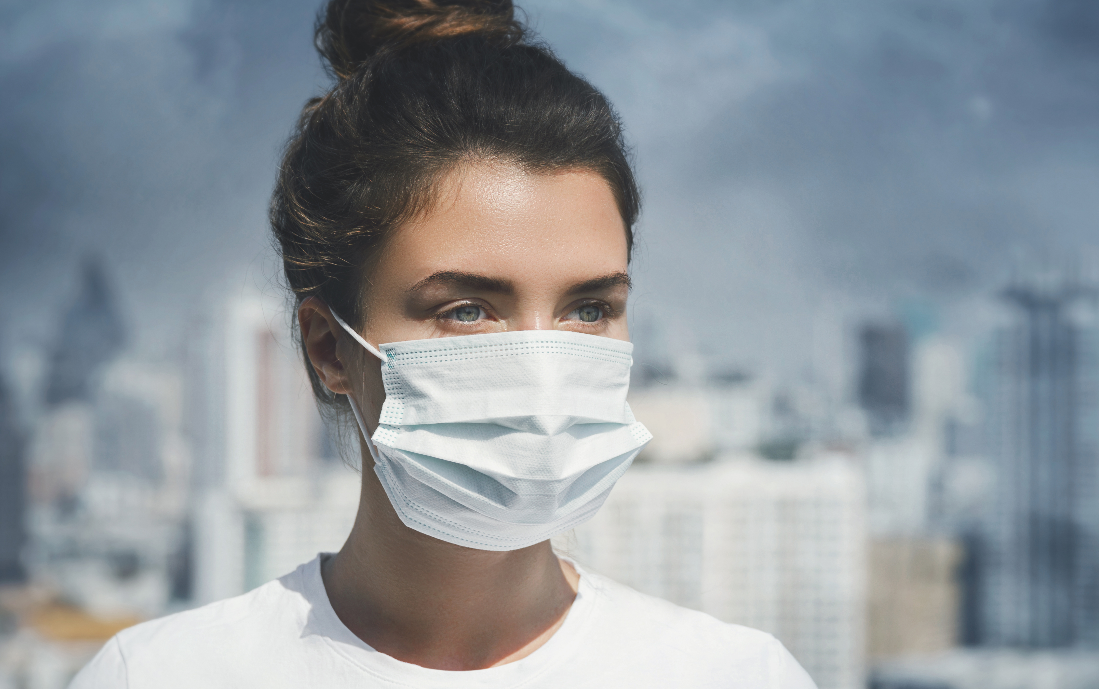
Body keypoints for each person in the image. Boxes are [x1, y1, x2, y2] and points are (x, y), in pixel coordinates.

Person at [68, 1, 816, 687]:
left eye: (587, 308)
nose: (543, 366)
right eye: (467, 309)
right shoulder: (165, 674)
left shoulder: (735, 673)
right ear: (330, 348)